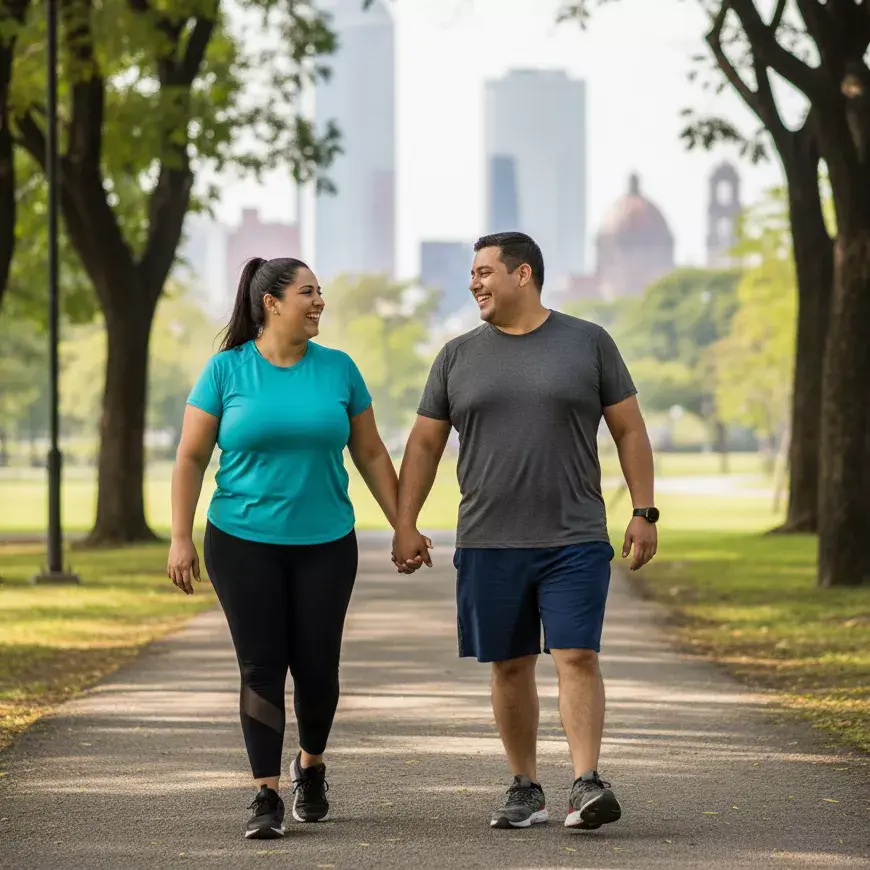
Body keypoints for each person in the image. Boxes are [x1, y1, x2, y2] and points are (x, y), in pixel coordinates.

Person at [392, 231, 658, 831]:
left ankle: (586, 782)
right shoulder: (456, 356)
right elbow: (425, 444)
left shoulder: (588, 342)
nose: (474, 283)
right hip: (488, 540)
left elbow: (630, 430)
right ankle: (525, 785)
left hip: (575, 536)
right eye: (472, 273)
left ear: (523, 274)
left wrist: (644, 510)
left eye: (484, 272)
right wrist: (405, 523)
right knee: (509, 665)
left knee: (577, 654)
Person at [167, 257, 430, 840]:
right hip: (241, 541)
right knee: (261, 666)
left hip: (326, 543)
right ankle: (265, 793)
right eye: (308, 292)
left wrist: (403, 525)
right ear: (272, 302)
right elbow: (190, 456)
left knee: (316, 668)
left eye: (320, 292)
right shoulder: (226, 370)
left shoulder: (338, 369)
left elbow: (370, 452)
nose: (319, 302)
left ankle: (310, 766)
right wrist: (181, 537)